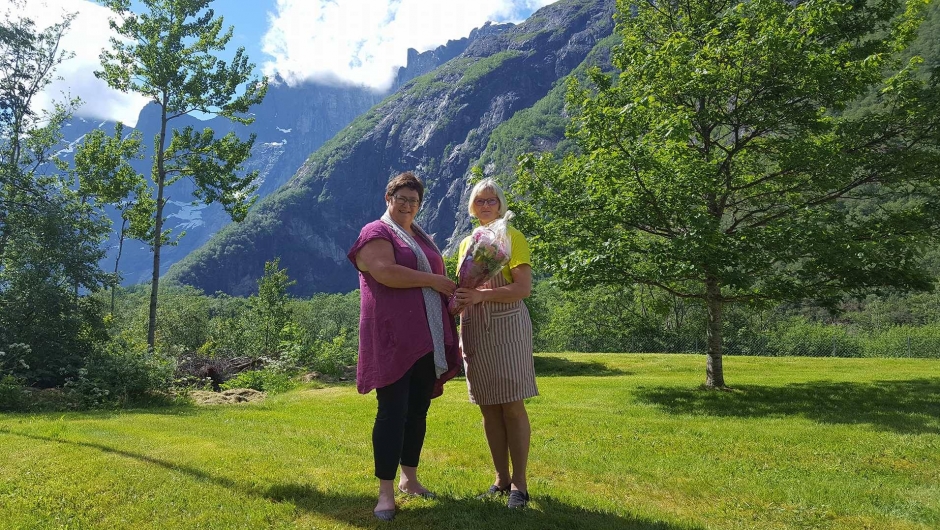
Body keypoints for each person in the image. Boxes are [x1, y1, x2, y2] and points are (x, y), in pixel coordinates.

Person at [347, 171, 462, 521]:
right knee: (392, 412)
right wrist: (436, 282)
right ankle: (384, 493)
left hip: (425, 335)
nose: (408, 205)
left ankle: (409, 479)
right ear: (388, 199)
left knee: (417, 410)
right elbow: (385, 272)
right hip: (394, 337)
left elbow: (431, 283)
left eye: (414, 200)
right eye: (402, 199)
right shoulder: (376, 232)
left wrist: (450, 297)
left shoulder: (419, 235)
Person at [452, 178, 537, 509]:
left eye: (491, 200)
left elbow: (523, 289)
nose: (486, 206)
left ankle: (521, 484)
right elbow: (465, 288)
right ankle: (501, 479)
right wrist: (458, 307)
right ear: (472, 207)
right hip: (474, 327)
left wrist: (479, 295)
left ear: (501, 205)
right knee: (488, 407)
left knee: (513, 405)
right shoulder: (466, 243)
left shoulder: (513, 238)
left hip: (507, 327)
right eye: (479, 201)